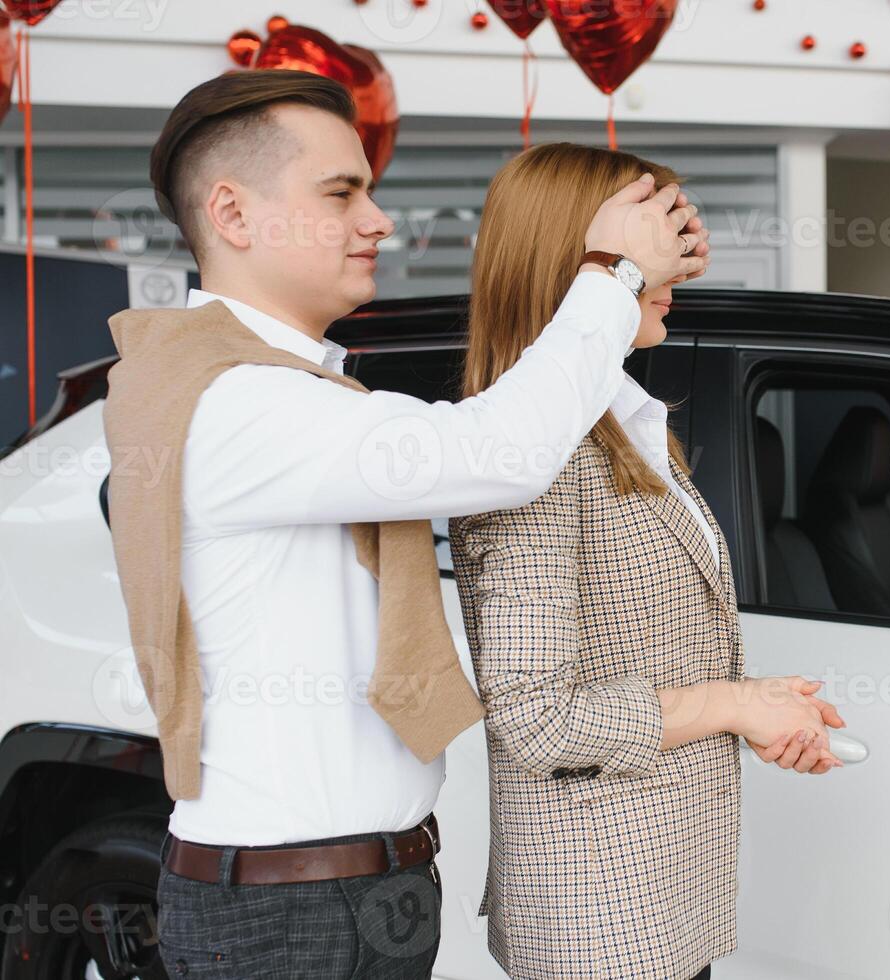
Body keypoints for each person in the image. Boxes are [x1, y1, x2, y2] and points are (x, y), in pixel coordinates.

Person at [102, 70, 708, 977]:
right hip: (291, 914)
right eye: (341, 192)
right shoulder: (234, 402)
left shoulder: (280, 390)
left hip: (343, 892)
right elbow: (498, 451)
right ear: (232, 214)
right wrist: (611, 274)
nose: (379, 219)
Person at [449, 143, 847, 980]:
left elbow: (644, 650)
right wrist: (734, 704)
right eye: (650, 235)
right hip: (597, 917)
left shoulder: (621, 424)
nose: (676, 263)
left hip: (655, 901)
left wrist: (759, 703)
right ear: (579, 255)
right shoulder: (535, 455)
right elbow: (536, 717)